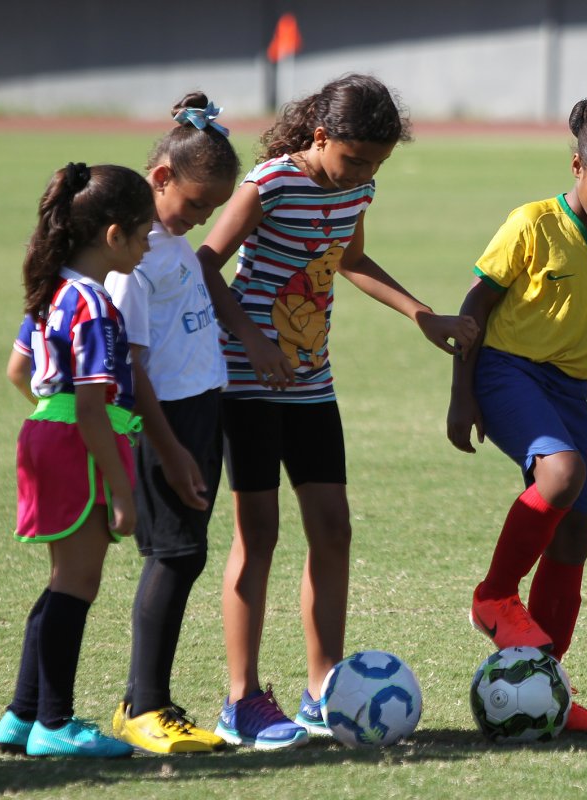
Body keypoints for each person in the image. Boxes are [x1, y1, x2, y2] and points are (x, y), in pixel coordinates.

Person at [195, 73, 478, 750]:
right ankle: (241, 700)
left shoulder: (358, 186)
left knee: (334, 528)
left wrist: (419, 313)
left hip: (312, 382)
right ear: (320, 136)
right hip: (245, 381)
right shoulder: (269, 184)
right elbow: (204, 264)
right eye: (355, 159)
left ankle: (323, 688)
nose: (365, 173)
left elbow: (350, 257)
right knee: (257, 533)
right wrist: (254, 337)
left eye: (377, 164)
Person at [447, 98, 587, 733]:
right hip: (507, 369)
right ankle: (493, 596)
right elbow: (474, 306)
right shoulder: (532, 223)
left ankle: (549, 691)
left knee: (575, 535)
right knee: (558, 478)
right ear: (577, 166)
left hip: (567, 389)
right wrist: (462, 392)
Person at [0, 163, 154, 758]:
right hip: (81, 446)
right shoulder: (91, 302)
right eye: (142, 237)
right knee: (77, 586)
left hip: (44, 435)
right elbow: (91, 408)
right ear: (113, 235)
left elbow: (18, 372)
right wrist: (121, 490)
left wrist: (51, 411)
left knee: (63, 582)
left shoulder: (50, 290)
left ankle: (23, 713)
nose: (144, 249)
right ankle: (55, 724)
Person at [103, 93, 240, 753]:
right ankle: (143, 706)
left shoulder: (172, 244)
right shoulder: (134, 260)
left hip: (198, 414)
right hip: (164, 426)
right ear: (161, 179)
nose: (202, 219)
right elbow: (132, 371)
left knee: (186, 555)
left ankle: (150, 701)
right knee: (174, 554)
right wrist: (173, 450)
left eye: (212, 210)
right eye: (195, 205)